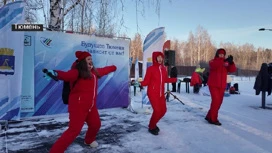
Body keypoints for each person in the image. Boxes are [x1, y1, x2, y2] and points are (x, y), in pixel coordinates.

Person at [44, 51, 117, 153]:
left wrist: (114, 67)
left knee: (96, 124)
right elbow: (66, 75)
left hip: (90, 107)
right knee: (74, 130)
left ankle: (89, 140)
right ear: (83, 61)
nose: (91, 61)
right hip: (78, 107)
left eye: (91, 59)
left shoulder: (94, 72)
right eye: (88, 59)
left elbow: (104, 70)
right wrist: (55, 73)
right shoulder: (77, 72)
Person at [140, 51, 177, 135]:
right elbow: (146, 81)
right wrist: (140, 83)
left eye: (161, 57)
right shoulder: (151, 69)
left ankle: (153, 124)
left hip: (160, 94)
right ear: (155, 58)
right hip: (152, 93)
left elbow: (165, 80)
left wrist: (174, 79)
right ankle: (152, 126)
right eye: (158, 57)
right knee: (157, 111)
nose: (160, 59)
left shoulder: (163, 69)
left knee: (163, 110)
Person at [205, 48, 236, 126]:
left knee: (219, 102)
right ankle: (213, 119)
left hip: (222, 85)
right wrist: (224, 61)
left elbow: (232, 69)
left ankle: (209, 116)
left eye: (223, 54)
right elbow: (215, 65)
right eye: (220, 54)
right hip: (213, 85)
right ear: (217, 54)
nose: (222, 56)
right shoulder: (212, 61)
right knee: (216, 101)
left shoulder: (226, 63)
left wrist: (231, 63)